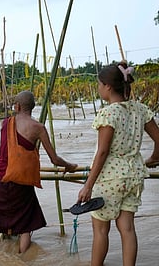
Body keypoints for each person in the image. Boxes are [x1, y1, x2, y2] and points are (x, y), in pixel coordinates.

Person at [76, 62, 159, 266]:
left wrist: (88, 185)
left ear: (108, 87)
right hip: (134, 177)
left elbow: (103, 152)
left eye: (99, 85)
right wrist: (153, 159)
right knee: (128, 228)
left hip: (110, 179)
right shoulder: (140, 109)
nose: (98, 89)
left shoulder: (109, 113)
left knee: (101, 230)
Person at [0, 90, 77, 253]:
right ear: (32, 107)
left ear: (17, 106)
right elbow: (54, 159)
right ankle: (23, 258)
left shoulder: (6, 123)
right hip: (22, 182)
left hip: (1, 178)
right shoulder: (38, 128)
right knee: (25, 225)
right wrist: (69, 166)